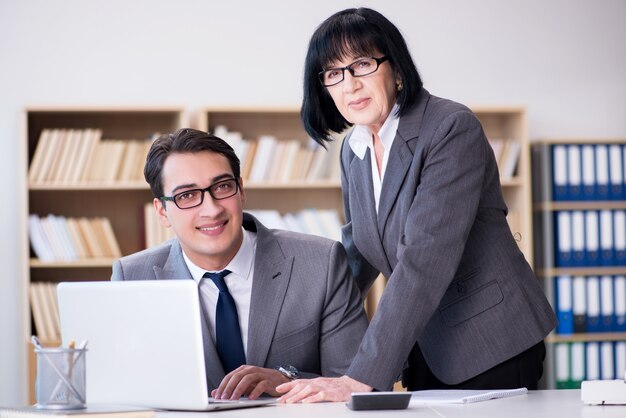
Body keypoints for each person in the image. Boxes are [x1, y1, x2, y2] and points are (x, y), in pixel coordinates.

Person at [277, 7, 557, 403]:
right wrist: (289, 350)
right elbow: (358, 252)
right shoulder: (354, 150)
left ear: (396, 67)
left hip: (491, 340)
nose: (350, 84)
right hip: (425, 342)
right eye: (333, 73)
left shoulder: (449, 127)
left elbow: (424, 259)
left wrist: (361, 377)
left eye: (362, 64)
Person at [111, 128, 368, 401]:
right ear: (162, 212)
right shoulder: (132, 278)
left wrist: (286, 380)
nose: (211, 209)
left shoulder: (321, 263)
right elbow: (121, 392)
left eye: (222, 187)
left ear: (241, 190)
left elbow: (354, 385)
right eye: (187, 196)